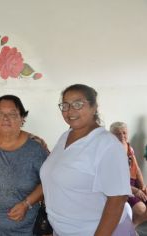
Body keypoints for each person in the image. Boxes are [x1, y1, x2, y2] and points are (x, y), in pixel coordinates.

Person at [40, 84, 135, 236]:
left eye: (78, 104)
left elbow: (117, 200)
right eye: (65, 105)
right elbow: (53, 175)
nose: (70, 110)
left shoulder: (107, 145)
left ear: (94, 107)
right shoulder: (66, 136)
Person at [0, 95, 49, 235]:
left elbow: (50, 181)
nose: (5, 118)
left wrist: (27, 203)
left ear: (22, 118)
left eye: (12, 114)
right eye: (0, 113)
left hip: (20, 224)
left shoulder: (35, 149)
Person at [110, 121, 147, 226]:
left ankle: (132, 227)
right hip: (121, 187)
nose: (122, 136)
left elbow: (137, 169)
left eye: (124, 133)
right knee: (141, 209)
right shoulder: (110, 152)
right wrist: (136, 190)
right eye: (117, 133)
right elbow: (115, 180)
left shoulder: (129, 148)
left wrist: (143, 186)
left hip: (133, 183)